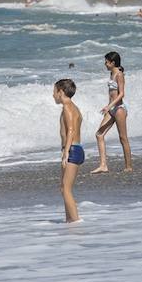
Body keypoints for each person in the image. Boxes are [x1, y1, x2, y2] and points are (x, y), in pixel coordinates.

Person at [92, 51, 133, 173]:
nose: (104, 63)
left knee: (123, 138)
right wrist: (109, 107)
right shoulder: (111, 73)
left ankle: (128, 166)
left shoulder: (119, 74)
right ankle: (103, 165)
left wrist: (109, 106)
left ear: (112, 62)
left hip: (119, 109)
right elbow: (111, 94)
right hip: (111, 109)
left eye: (106, 61)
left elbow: (121, 94)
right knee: (99, 134)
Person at [53, 78, 83, 223]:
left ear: (61, 92)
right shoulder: (73, 107)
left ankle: (76, 222)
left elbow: (70, 130)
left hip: (72, 150)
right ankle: (69, 221)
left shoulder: (68, 107)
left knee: (66, 189)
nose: (53, 95)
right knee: (63, 188)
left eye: (54, 92)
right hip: (74, 149)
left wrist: (66, 153)